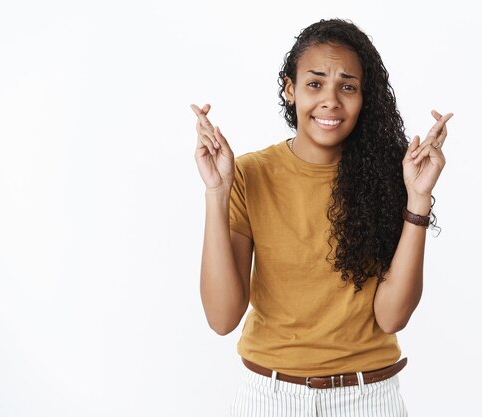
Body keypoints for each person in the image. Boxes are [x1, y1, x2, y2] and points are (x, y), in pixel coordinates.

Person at [191, 18, 453, 417]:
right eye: (315, 83)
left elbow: (392, 316)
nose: (331, 100)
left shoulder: (389, 178)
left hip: (368, 397)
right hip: (270, 398)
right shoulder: (248, 174)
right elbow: (222, 317)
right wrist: (216, 191)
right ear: (290, 89)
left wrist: (418, 198)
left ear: (365, 97)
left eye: (347, 86)